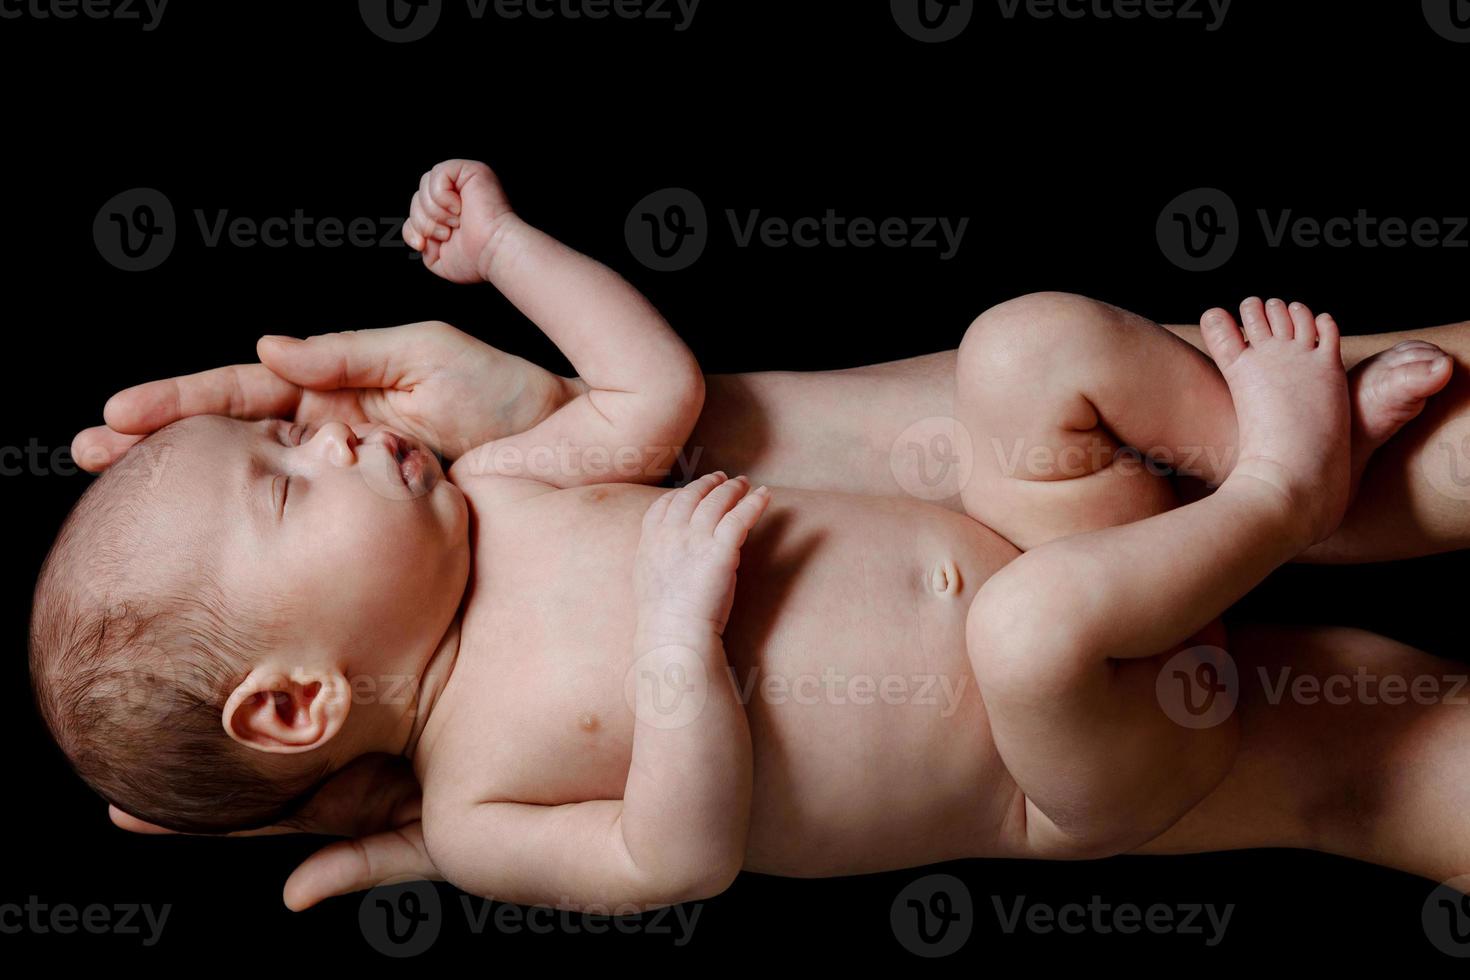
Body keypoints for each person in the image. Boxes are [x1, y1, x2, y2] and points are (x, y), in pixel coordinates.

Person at [55, 160, 1470, 910]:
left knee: (1024, 348)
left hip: (1055, 550)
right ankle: (1278, 486)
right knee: (1026, 631)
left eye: (289, 432)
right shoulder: (479, 806)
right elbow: (676, 861)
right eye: (292, 484)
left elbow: (650, 394)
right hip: (1077, 765)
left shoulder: (505, 488)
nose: (334, 432)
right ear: (296, 701)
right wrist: (674, 644)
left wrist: (508, 256)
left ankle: (1296, 462)